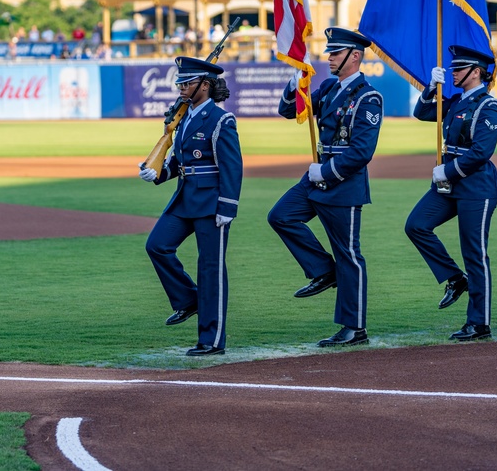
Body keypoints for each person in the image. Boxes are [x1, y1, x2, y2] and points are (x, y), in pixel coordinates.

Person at [267, 28, 383, 348]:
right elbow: (290, 111)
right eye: (329, 52)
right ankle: (323, 271)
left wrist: (326, 172)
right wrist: (295, 85)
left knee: (348, 255)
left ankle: (354, 328)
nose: (329, 57)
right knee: (281, 216)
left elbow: (361, 152)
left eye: (336, 53)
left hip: (342, 183)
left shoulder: (368, 97)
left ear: (354, 56)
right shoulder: (330, 88)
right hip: (316, 176)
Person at [139, 57, 242, 357]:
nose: (181, 87)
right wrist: (159, 173)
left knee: (210, 269)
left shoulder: (221, 120)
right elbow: (179, 161)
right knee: (157, 245)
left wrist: (227, 207)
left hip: (211, 203)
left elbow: (232, 168)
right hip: (185, 198)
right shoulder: (183, 117)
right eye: (180, 83)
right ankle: (189, 300)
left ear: (204, 85)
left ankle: (212, 340)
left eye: (187, 83)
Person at [404, 47, 497, 342]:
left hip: (476, 187)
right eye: (453, 68)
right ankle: (455, 278)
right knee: (416, 225)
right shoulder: (458, 101)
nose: (453, 72)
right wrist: (429, 88)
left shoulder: (488, 106)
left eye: (459, 69)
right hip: (449, 185)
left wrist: (448, 170)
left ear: (476, 72)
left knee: (474, 253)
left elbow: (481, 152)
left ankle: (479, 323)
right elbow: (422, 113)